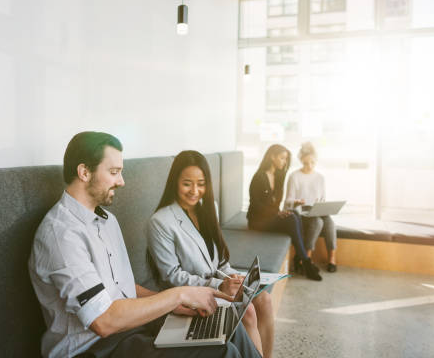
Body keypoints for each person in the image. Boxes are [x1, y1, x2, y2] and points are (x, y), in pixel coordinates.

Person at [28, 132, 261, 358]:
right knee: (223, 352)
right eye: (114, 172)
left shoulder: (106, 221)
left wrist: (176, 306)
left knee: (227, 328)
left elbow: (124, 287)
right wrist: (178, 295)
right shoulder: (62, 235)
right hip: (94, 349)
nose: (121, 181)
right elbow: (104, 321)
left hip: (129, 333)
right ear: (84, 172)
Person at [147, 151, 274, 358]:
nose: (195, 191)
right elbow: (171, 276)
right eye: (187, 183)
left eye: (201, 183)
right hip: (188, 297)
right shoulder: (161, 222)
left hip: (217, 286)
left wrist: (234, 277)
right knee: (248, 311)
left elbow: (220, 261)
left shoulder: (209, 208)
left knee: (265, 300)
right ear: (174, 182)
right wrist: (218, 286)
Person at [247, 144, 322, 281]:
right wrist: (276, 214)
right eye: (282, 158)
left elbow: (275, 204)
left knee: (294, 213)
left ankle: (302, 258)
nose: (284, 162)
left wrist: (281, 211)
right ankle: (306, 262)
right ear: (272, 157)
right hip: (257, 221)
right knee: (292, 218)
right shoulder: (259, 177)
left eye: (286, 159)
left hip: (271, 216)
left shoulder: (278, 175)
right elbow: (256, 205)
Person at [285, 142, 337, 272]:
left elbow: (322, 199)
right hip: (300, 213)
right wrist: (296, 202)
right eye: (306, 163)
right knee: (318, 222)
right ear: (301, 160)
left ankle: (332, 259)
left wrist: (321, 205)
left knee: (329, 222)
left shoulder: (320, 178)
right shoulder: (294, 176)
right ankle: (306, 258)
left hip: (316, 211)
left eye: (312, 162)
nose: (309, 166)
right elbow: (287, 201)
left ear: (316, 160)